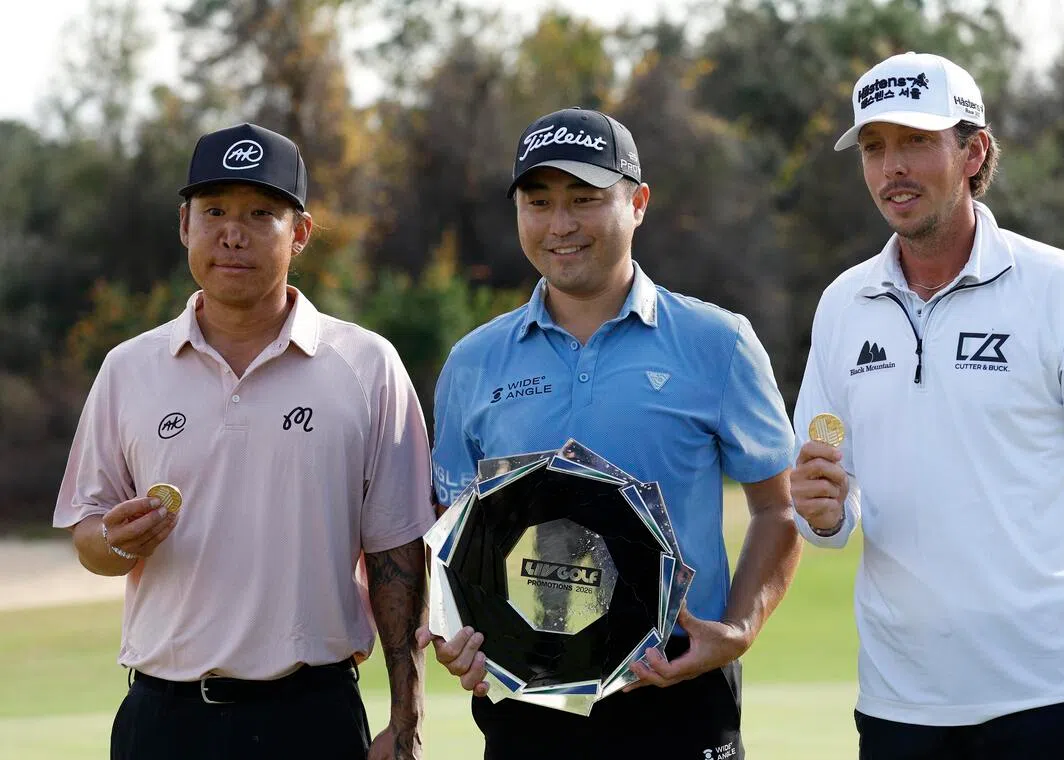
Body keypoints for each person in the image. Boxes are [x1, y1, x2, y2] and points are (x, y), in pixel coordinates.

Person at [418, 106, 802, 759]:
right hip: (526, 705)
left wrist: (739, 626)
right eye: (538, 202)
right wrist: (452, 632)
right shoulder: (473, 362)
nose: (560, 224)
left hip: (677, 692)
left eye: (585, 200)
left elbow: (778, 506)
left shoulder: (719, 343)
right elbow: (450, 524)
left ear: (639, 203)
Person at [791, 51, 1064, 760]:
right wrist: (822, 512)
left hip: (1051, 701)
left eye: (917, 142)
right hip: (897, 706)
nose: (892, 168)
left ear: (973, 151)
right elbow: (829, 509)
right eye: (874, 147)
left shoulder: (1060, 290)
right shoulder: (842, 306)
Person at [53, 122, 435, 760]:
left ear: (301, 234)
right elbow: (89, 536)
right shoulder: (128, 367)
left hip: (309, 716)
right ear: (185, 226)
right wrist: (118, 542)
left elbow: (398, 551)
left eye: (262, 213)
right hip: (163, 719)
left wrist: (406, 719)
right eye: (215, 212)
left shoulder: (367, 366)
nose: (233, 233)